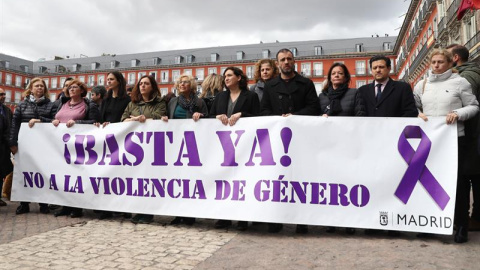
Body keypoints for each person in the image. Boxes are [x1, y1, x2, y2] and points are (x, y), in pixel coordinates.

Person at [414, 49, 479, 243]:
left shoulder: (461, 82)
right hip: (428, 140)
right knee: (428, 182)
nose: (436, 65)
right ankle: (429, 223)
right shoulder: (421, 84)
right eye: (433, 62)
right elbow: (415, 105)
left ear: (450, 62)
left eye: (440, 62)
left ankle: (461, 226)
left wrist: (458, 113)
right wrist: (417, 113)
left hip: (454, 140)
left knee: (457, 184)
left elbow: (474, 106)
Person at [261, 48, 320, 234]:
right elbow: (263, 111)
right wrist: (279, 120)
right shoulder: (270, 86)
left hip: (301, 139)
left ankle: (301, 220)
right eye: (282, 60)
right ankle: (276, 218)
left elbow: (314, 108)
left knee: (300, 178)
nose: (286, 62)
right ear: (277, 63)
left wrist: (294, 117)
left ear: (294, 61)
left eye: (289, 59)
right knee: (277, 179)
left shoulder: (306, 83)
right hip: (277, 140)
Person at [358, 55, 418, 237]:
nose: (378, 70)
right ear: (371, 70)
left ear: (389, 68)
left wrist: (389, 126)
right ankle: (373, 222)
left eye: (381, 67)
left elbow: (410, 111)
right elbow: (359, 113)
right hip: (371, 145)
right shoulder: (363, 91)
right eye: (374, 67)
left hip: (394, 143)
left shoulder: (401, 88)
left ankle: (393, 222)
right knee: (373, 182)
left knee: (393, 182)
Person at [210, 67, 260, 231]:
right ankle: (224, 217)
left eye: (230, 75)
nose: (226, 78)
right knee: (224, 181)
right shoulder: (220, 96)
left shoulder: (251, 96)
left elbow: (259, 118)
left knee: (242, 181)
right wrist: (216, 117)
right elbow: (210, 118)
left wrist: (242, 115)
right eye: (225, 76)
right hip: (223, 146)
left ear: (239, 77)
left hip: (243, 146)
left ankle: (242, 218)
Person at [318, 63, 365, 235]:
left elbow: (360, 115)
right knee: (331, 185)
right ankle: (331, 220)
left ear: (346, 77)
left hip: (348, 145)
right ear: (329, 77)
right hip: (329, 146)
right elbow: (314, 120)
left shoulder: (354, 93)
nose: (337, 75)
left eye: (340, 73)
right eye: (334, 73)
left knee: (348, 184)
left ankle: (349, 221)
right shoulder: (322, 97)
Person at [50, 79, 100, 218]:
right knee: (63, 176)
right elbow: (52, 119)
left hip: (79, 147)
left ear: (82, 90)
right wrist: (53, 121)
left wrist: (78, 122)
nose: (72, 89)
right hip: (61, 146)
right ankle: (65, 206)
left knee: (77, 177)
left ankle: (77, 207)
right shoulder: (62, 104)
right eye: (70, 87)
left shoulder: (89, 105)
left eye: (75, 87)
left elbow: (95, 122)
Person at [162, 74, 208, 226]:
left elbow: (209, 119)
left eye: (185, 82)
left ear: (192, 85)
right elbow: (167, 116)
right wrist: (164, 119)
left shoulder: (200, 102)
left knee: (191, 180)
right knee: (176, 180)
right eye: (180, 82)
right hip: (175, 145)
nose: (182, 84)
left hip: (193, 146)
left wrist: (201, 115)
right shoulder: (172, 101)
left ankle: (190, 214)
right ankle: (177, 213)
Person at [122, 75, 166, 224]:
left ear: (152, 86)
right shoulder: (133, 103)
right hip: (134, 147)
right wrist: (135, 119)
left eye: (146, 83)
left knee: (150, 179)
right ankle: (139, 209)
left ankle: (148, 212)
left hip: (153, 146)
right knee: (137, 179)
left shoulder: (160, 102)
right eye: (141, 83)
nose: (143, 86)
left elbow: (157, 118)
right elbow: (123, 119)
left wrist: (141, 119)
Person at [9, 78, 56, 214]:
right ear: (31, 88)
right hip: (25, 146)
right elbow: (15, 124)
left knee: (43, 173)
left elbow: (55, 121)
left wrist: (41, 120)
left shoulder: (51, 105)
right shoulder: (22, 105)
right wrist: (12, 143)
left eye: (42, 86)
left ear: (45, 89)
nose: (39, 88)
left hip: (44, 146)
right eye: (37, 86)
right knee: (24, 173)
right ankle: (24, 204)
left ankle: (44, 204)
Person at [447, 44, 480, 231]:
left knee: (469, 175)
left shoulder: (464, 77)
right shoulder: (473, 72)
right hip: (472, 133)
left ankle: (472, 217)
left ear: (455, 58)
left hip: (471, 133)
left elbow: (466, 104)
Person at [95, 71, 131, 220]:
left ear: (118, 81)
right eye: (107, 79)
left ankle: (123, 207)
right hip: (107, 139)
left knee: (121, 174)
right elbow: (100, 116)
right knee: (107, 174)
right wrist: (99, 123)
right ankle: (106, 207)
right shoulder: (106, 99)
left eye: (111, 79)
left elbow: (125, 117)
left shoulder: (127, 99)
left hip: (121, 139)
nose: (108, 82)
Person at [0, 87, 13, 207]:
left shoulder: (7, 110)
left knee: (3, 170)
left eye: (4, 94)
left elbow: (10, 127)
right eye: (0, 94)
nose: (3, 96)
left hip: (4, 147)